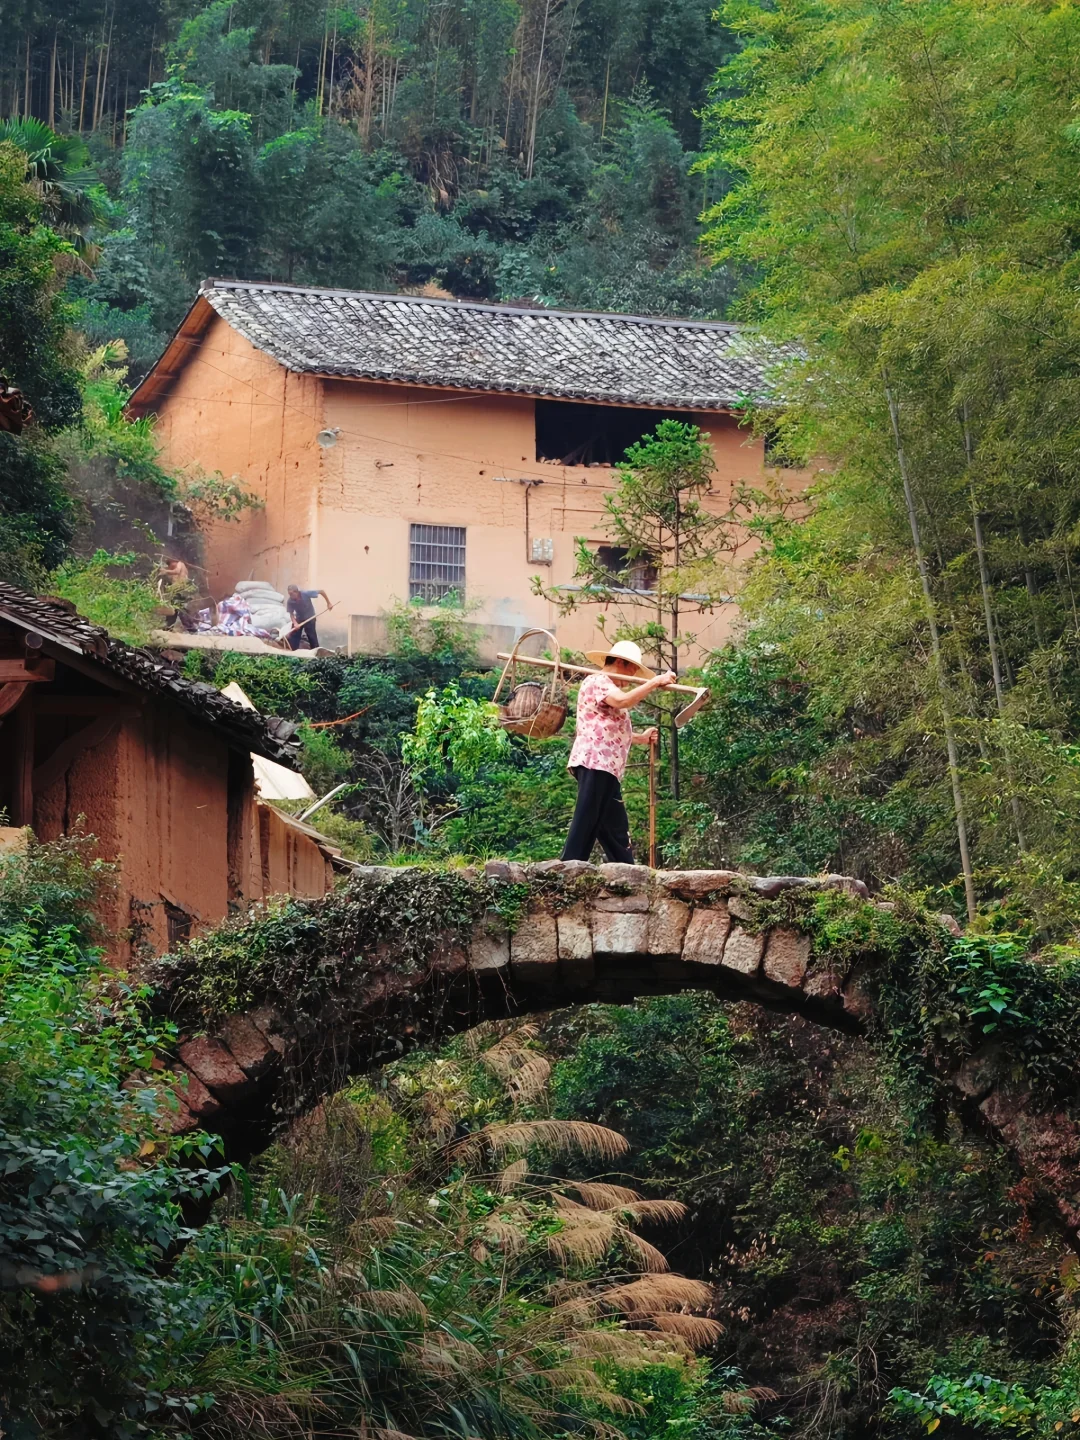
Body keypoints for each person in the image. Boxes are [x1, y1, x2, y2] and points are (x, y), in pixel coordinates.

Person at [561, 639, 676, 864]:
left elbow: (609, 730)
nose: (628, 682)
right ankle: (567, 868)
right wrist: (654, 683)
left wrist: (641, 738)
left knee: (615, 828)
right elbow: (622, 701)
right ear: (621, 663)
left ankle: (627, 871)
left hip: (608, 767)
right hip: (596, 761)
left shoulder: (607, 687)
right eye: (632, 671)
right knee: (587, 819)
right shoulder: (598, 681)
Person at [286, 584, 331, 650]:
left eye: (291, 594)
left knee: (312, 636)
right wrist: (295, 623)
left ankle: (316, 651)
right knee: (294, 635)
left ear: (296, 592)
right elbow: (291, 613)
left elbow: (321, 591)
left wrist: (328, 603)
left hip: (310, 618)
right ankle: (293, 651)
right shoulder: (290, 601)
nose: (290, 596)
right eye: (289, 594)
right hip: (299, 618)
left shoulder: (305, 594)